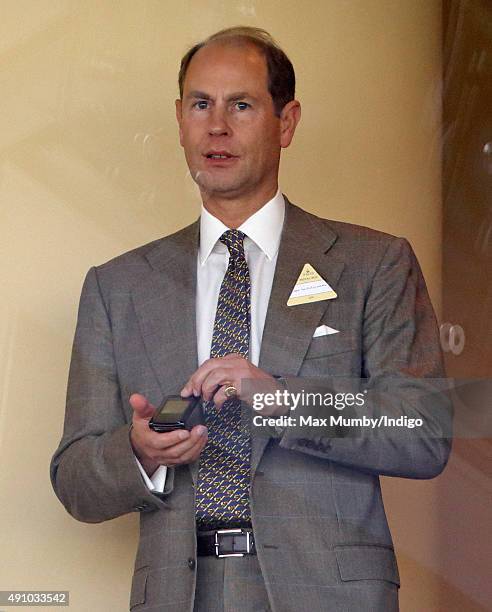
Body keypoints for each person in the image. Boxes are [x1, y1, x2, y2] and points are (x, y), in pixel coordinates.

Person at [50, 26, 452, 612]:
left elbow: (424, 430)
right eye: (200, 104)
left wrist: (279, 399)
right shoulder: (118, 286)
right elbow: (75, 478)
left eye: (241, 104)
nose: (217, 126)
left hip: (330, 593)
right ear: (180, 120)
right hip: (177, 594)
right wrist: (138, 453)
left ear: (286, 123)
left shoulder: (374, 263)